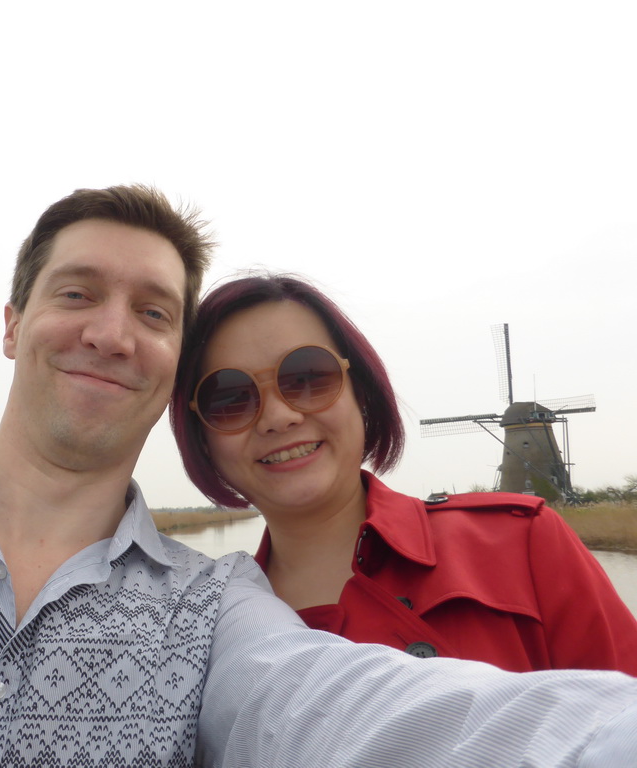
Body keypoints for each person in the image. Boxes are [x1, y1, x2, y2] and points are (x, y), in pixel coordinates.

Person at [0, 188, 637, 768]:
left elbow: (352, 712)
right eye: (75, 293)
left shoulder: (215, 606)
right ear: (13, 324)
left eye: (153, 311)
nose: (110, 331)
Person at [171, 272, 637, 674]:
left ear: (362, 393)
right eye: (228, 398)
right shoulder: (204, 628)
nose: (278, 416)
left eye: (308, 377)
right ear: (202, 437)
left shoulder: (523, 545)